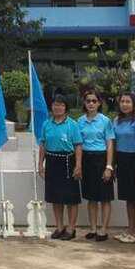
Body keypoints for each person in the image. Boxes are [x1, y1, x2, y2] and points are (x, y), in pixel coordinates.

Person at [37, 94, 83, 240]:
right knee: (55, 197)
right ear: (51, 107)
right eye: (55, 104)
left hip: (68, 161)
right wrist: (40, 164)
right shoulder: (46, 124)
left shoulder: (72, 124)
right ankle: (59, 227)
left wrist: (78, 165)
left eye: (61, 105)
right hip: (52, 161)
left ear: (66, 108)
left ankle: (71, 228)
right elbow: (42, 145)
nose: (58, 107)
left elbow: (78, 146)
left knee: (71, 198)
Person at [77, 89, 115, 242]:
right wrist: (78, 165)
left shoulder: (105, 121)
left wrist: (109, 166)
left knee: (105, 198)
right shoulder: (80, 121)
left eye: (94, 101)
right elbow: (78, 144)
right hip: (86, 160)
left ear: (99, 103)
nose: (91, 103)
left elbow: (110, 144)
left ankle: (103, 230)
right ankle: (93, 228)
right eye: (88, 101)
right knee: (91, 198)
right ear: (84, 103)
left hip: (101, 159)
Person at [112, 92, 135, 244]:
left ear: (134, 104)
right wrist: (113, 164)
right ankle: (130, 230)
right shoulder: (117, 120)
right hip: (122, 160)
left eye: (128, 102)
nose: (125, 104)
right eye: (122, 101)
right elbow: (114, 143)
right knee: (129, 198)